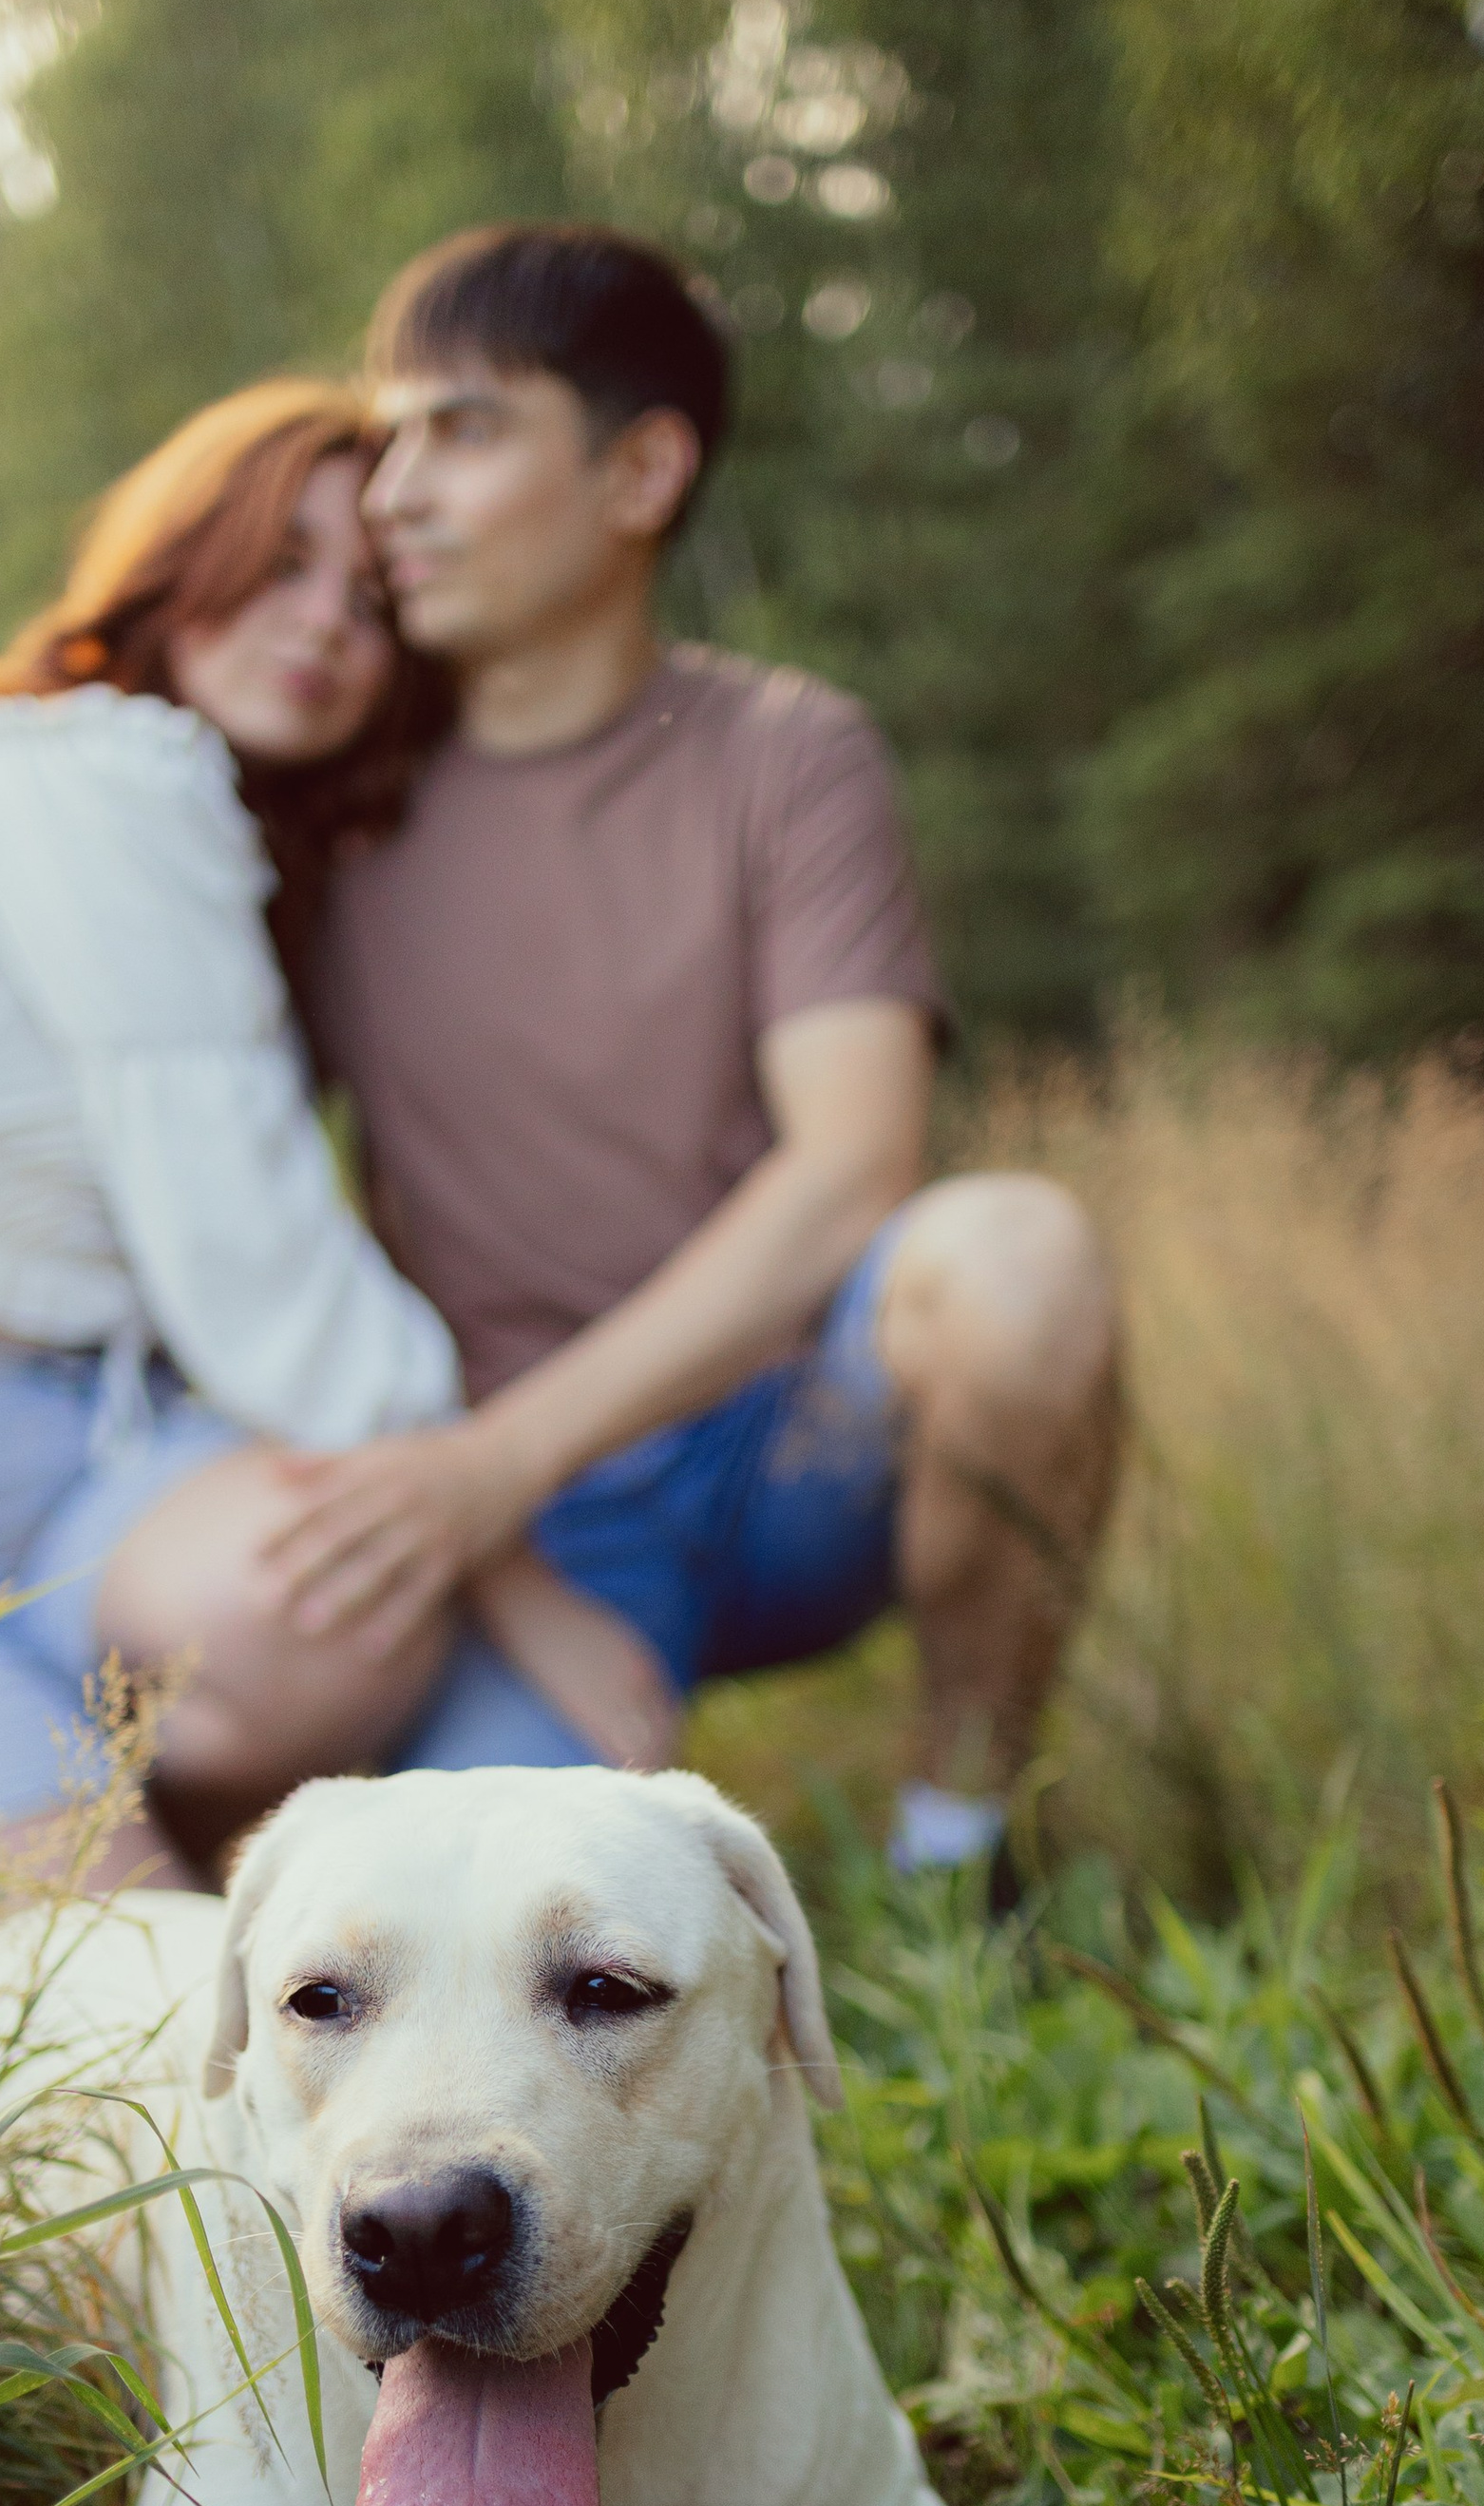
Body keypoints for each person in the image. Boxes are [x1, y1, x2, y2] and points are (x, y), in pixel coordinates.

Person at [0, 377, 647, 1950]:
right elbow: (254, 1262)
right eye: (281, 562)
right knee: (142, 2037)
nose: (323, 625)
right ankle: (124, 1842)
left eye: (371, 603)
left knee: (327, 1607)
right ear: (180, 559)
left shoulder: (212, 827)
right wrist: (520, 1581)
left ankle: (205, 1820)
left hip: (99, 1469)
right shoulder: (92, 772)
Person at [253, 224, 1119, 1878]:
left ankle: (960, 1858)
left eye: (465, 430)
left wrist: (500, 1459)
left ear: (642, 472)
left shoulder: (789, 754)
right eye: (389, 439)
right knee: (480, 1911)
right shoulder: (329, 793)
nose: (393, 497)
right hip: (509, 1530)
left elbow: (854, 1168)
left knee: (1022, 1262)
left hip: (786, 1444)